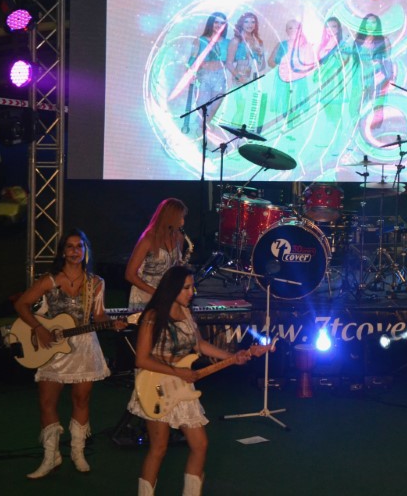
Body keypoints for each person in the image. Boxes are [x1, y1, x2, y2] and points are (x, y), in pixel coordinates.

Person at [129, 266, 253, 496]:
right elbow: (141, 359)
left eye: (192, 287)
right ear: (172, 289)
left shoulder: (186, 313)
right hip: (155, 385)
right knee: (159, 448)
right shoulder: (152, 316)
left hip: (182, 384)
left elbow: (199, 345)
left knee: (200, 445)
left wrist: (231, 356)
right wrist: (176, 372)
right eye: (186, 288)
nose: (191, 292)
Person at [13, 228, 127, 479]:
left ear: (86, 251)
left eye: (79, 246)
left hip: (84, 347)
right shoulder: (49, 280)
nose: (75, 251)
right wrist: (39, 329)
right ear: (63, 252)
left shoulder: (96, 283)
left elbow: (98, 316)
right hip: (52, 348)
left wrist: (112, 324)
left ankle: (78, 453)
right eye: (70, 246)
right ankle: (50, 456)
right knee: (47, 402)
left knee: (81, 400)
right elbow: (21, 304)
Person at [125, 198, 191, 312]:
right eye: (180, 218)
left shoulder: (178, 237)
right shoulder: (148, 239)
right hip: (145, 297)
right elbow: (129, 275)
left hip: (167, 296)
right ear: (170, 218)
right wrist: (156, 293)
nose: (182, 222)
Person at [182, 12, 230, 133]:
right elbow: (192, 59)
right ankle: (200, 132)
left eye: (222, 23)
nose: (219, 25)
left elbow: (231, 61)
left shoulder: (228, 43)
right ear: (211, 23)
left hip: (220, 77)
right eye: (216, 22)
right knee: (202, 106)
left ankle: (203, 128)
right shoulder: (200, 40)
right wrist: (189, 74)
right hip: (203, 76)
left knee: (214, 107)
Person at [353, 13, 393, 129]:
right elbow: (354, 60)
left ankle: (374, 131)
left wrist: (388, 78)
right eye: (368, 22)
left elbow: (388, 60)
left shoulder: (383, 40)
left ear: (377, 25)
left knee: (377, 104)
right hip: (361, 76)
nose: (370, 25)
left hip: (378, 76)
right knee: (359, 104)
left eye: (373, 22)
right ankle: (359, 129)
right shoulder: (358, 41)